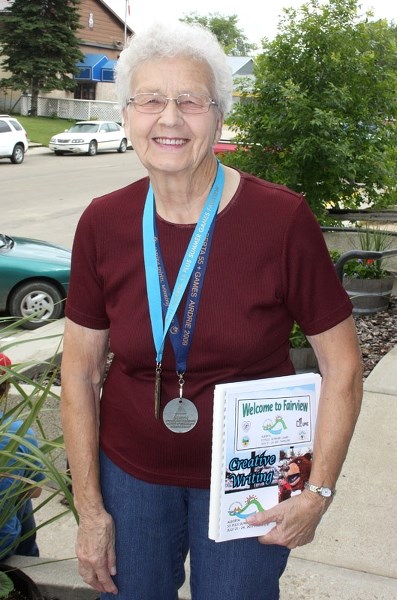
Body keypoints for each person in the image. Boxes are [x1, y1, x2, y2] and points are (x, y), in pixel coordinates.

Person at [60, 20, 363, 600]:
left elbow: (343, 367)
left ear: (219, 117)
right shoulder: (103, 223)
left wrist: (317, 490)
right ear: (127, 115)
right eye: (150, 99)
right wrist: (91, 509)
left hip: (254, 475)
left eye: (190, 101)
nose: (169, 118)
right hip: (131, 477)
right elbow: (78, 371)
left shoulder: (281, 221)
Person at [0, 352, 44, 560]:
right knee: (22, 492)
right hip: (4, 543)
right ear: (6, 390)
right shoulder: (17, 433)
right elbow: (35, 491)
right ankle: (29, 558)